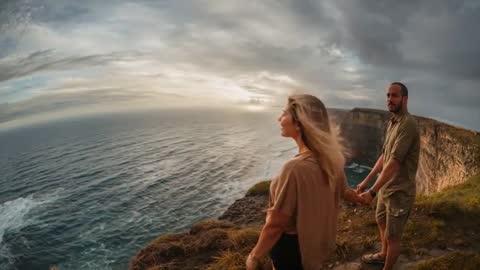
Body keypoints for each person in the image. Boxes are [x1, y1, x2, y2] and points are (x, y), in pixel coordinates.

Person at [246, 94, 365, 270]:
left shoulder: (294, 168)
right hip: (314, 244)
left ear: (299, 123)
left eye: (284, 114)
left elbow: (276, 224)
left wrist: (254, 256)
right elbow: (345, 192)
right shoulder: (332, 158)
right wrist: (362, 198)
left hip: (290, 249)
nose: (279, 119)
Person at [357, 82, 420, 270]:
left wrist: (372, 192)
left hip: (399, 192)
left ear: (405, 99)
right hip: (386, 187)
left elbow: (394, 163)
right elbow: (384, 156)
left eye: (394, 96)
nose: (389, 100)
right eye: (388, 95)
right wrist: (366, 181)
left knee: (393, 236)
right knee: (381, 220)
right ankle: (383, 254)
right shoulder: (393, 122)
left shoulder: (408, 125)